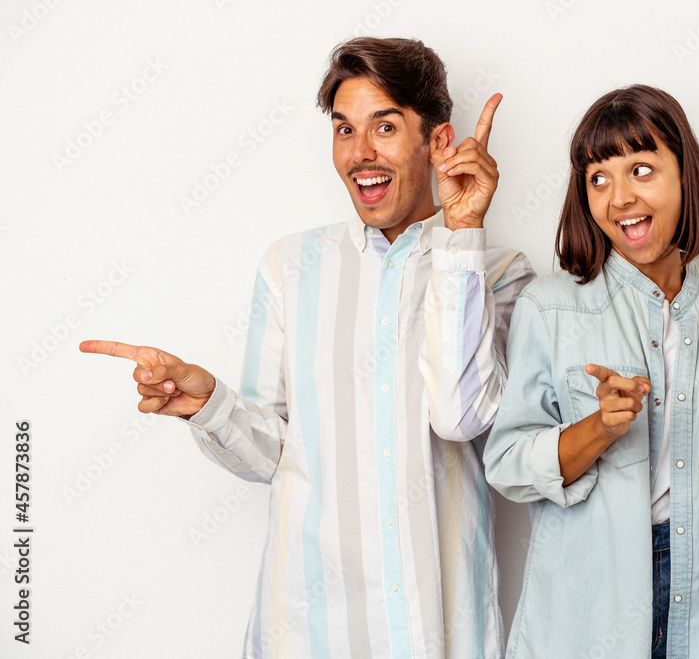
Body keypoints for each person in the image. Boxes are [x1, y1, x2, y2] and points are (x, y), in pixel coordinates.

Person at [80, 37, 534, 658]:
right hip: (308, 628)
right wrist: (209, 404)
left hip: (435, 629)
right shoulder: (290, 267)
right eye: (345, 130)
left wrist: (461, 239)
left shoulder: (500, 273)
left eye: (385, 126)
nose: (361, 153)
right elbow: (273, 457)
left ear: (438, 142)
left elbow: (460, 417)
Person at [483, 84, 699, 658]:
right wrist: (599, 428)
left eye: (642, 169)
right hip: (586, 604)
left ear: (685, 176)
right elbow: (507, 465)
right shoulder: (551, 307)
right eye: (599, 178)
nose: (619, 196)